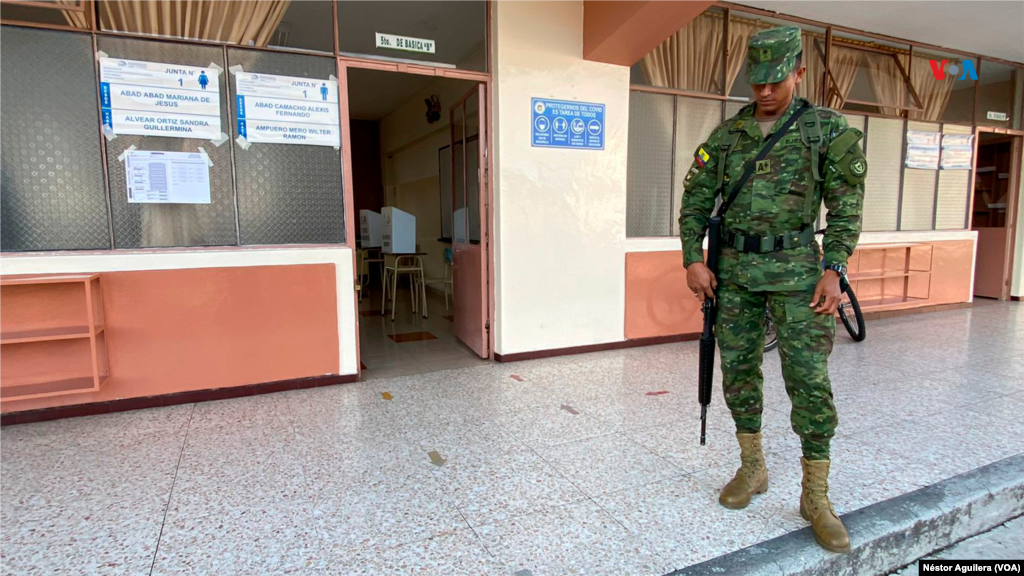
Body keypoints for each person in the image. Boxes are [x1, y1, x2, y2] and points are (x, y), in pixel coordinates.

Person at [678, 26, 866, 554]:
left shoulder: (825, 130)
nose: (764, 92)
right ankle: (753, 467)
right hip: (735, 277)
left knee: (807, 380)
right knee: (738, 374)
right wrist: (693, 257)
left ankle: (815, 496)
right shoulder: (727, 136)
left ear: (798, 73)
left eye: (775, 80)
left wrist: (835, 266)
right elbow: (694, 199)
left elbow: (847, 205)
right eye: (756, 82)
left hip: (799, 277)